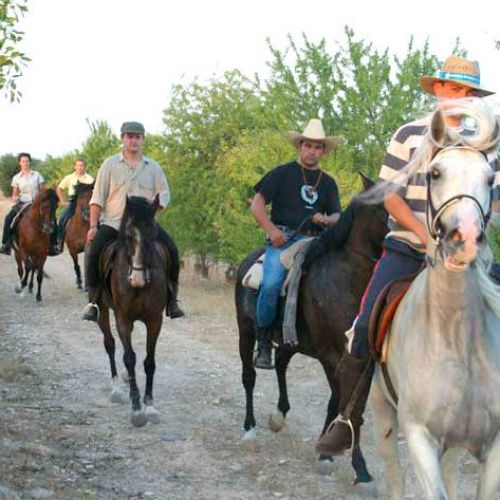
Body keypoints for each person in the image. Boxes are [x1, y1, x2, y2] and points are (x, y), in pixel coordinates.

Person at [315, 55, 500, 456]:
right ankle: (348, 419)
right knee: (364, 329)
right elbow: (391, 196)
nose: (462, 98)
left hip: (468, 256)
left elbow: (495, 199)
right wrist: (426, 237)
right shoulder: (410, 135)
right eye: (454, 89)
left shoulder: (483, 141)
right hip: (409, 248)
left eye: (469, 92)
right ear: (437, 89)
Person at [250, 118, 341, 369]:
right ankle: (265, 339)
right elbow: (256, 205)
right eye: (308, 146)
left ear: (323, 151)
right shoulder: (282, 173)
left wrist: (328, 219)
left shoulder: (328, 182)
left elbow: (337, 215)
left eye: (318, 147)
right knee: (270, 284)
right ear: (300, 147)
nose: (313, 151)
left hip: (317, 240)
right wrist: (271, 230)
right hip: (284, 239)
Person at [82, 121, 184, 322]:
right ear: (122, 139)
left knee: (172, 249)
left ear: (143, 140)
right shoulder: (110, 165)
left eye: (137, 136)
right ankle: (93, 301)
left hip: (145, 225)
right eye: (129, 136)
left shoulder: (153, 167)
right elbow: (97, 198)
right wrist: (93, 226)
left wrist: (154, 206)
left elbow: (164, 195)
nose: (133, 140)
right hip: (113, 222)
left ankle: (172, 300)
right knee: (93, 251)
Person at [0, 152, 56, 255]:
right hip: (22, 203)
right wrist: (15, 197)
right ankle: (5, 244)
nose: (25, 163)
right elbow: (14, 194)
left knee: (51, 219)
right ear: (19, 163)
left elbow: (43, 191)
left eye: (27, 161)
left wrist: (40, 200)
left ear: (30, 162)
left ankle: (53, 245)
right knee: (8, 218)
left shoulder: (37, 175)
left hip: (37, 203)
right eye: (23, 161)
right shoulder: (16, 178)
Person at [55, 158, 94, 253]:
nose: (80, 167)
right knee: (62, 218)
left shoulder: (89, 178)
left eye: (82, 165)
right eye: (78, 165)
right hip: (73, 201)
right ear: (75, 166)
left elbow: (94, 191)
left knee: (99, 219)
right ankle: (59, 242)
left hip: (86, 202)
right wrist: (63, 200)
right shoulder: (69, 177)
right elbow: (59, 188)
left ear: (85, 167)